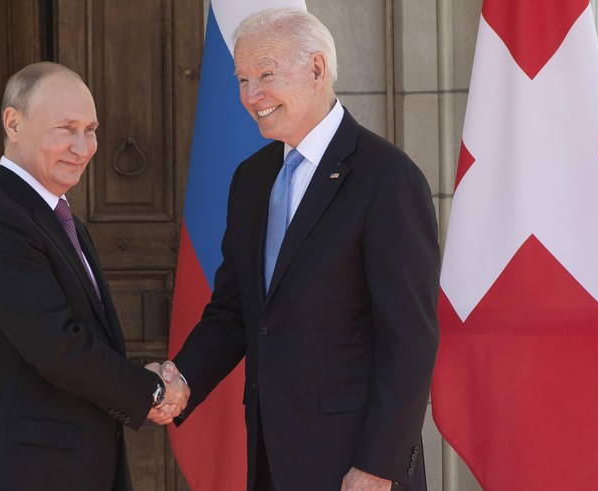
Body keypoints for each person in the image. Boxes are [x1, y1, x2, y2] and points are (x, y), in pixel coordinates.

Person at [166, 8, 440, 491]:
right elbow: (236, 311)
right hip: (272, 458)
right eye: (243, 79)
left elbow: (410, 341)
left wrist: (379, 464)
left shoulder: (387, 178)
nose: (252, 96)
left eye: (266, 75)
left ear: (316, 69)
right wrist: (181, 379)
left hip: (356, 464)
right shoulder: (251, 179)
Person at [0, 61, 187, 491]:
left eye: (90, 128)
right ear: (13, 123)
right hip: (25, 473)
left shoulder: (56, 216)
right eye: (66, 128)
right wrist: (150, 391)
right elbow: (59, 348)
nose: (83, 145)